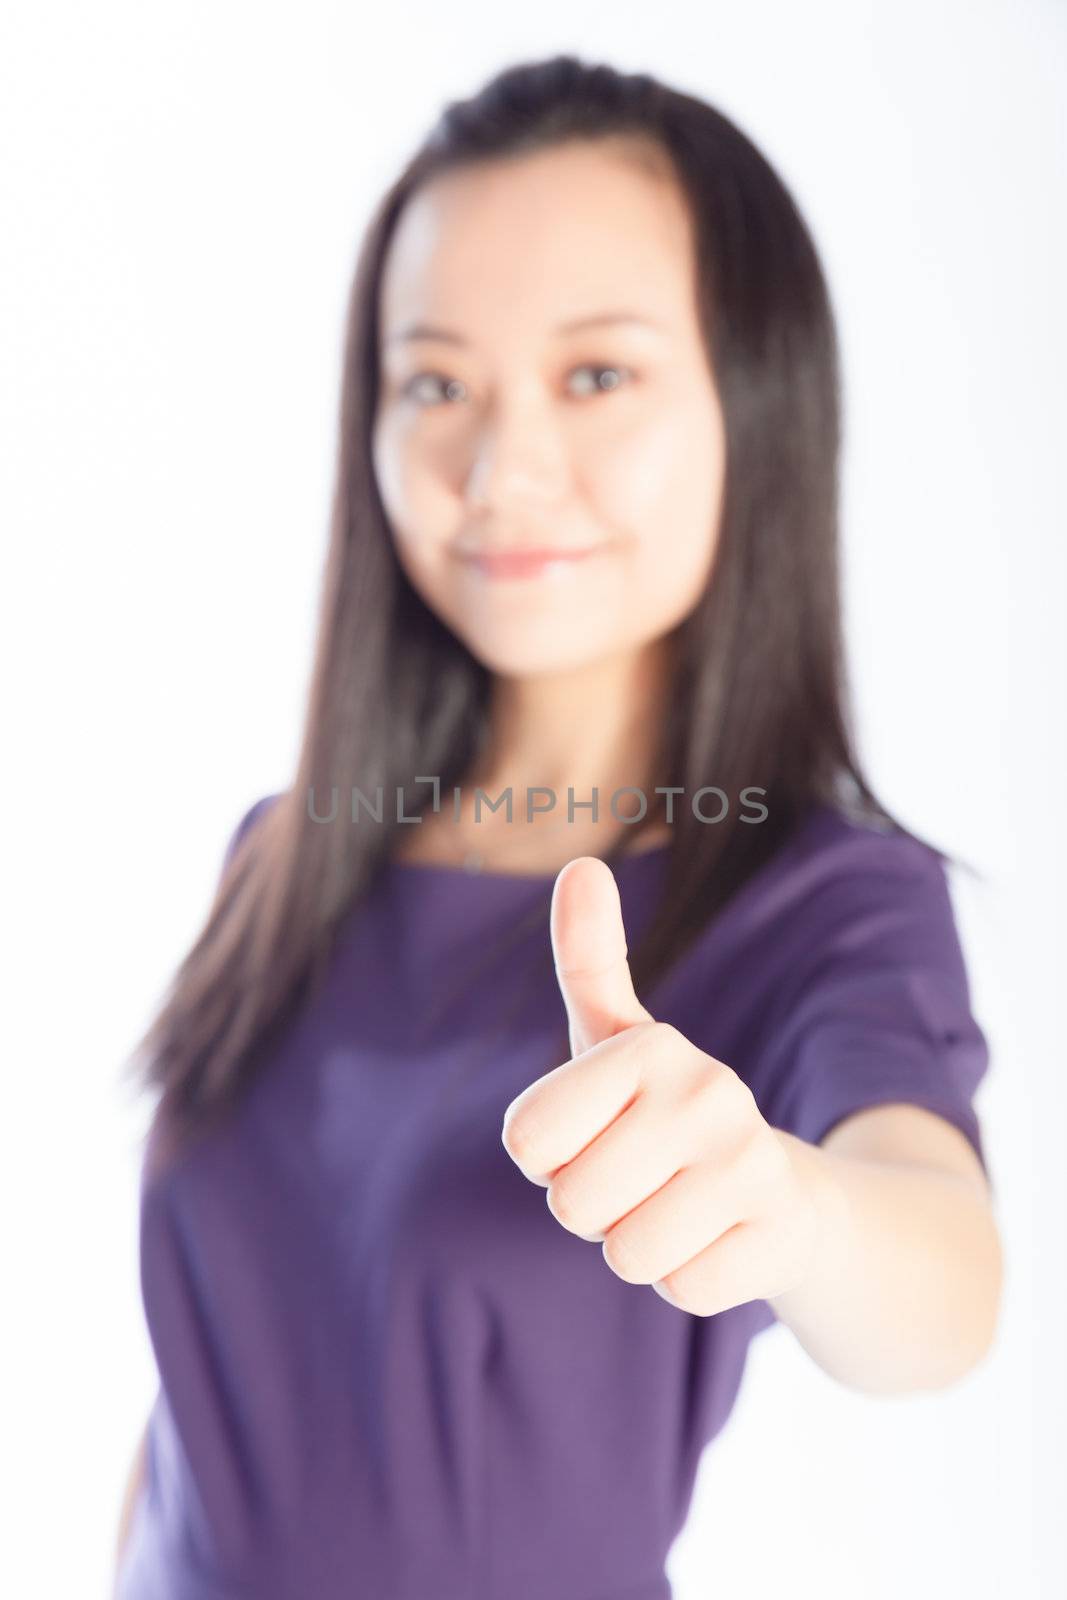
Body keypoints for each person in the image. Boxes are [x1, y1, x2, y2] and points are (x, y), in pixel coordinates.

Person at [113, 53, 1003, 1600]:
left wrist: (790, 1211)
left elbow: (940, 1280)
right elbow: (193, 1419)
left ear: (756, 397)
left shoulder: (819, 897)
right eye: (435, 382)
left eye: (598, 375)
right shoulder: (286, 853)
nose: (501, 469)